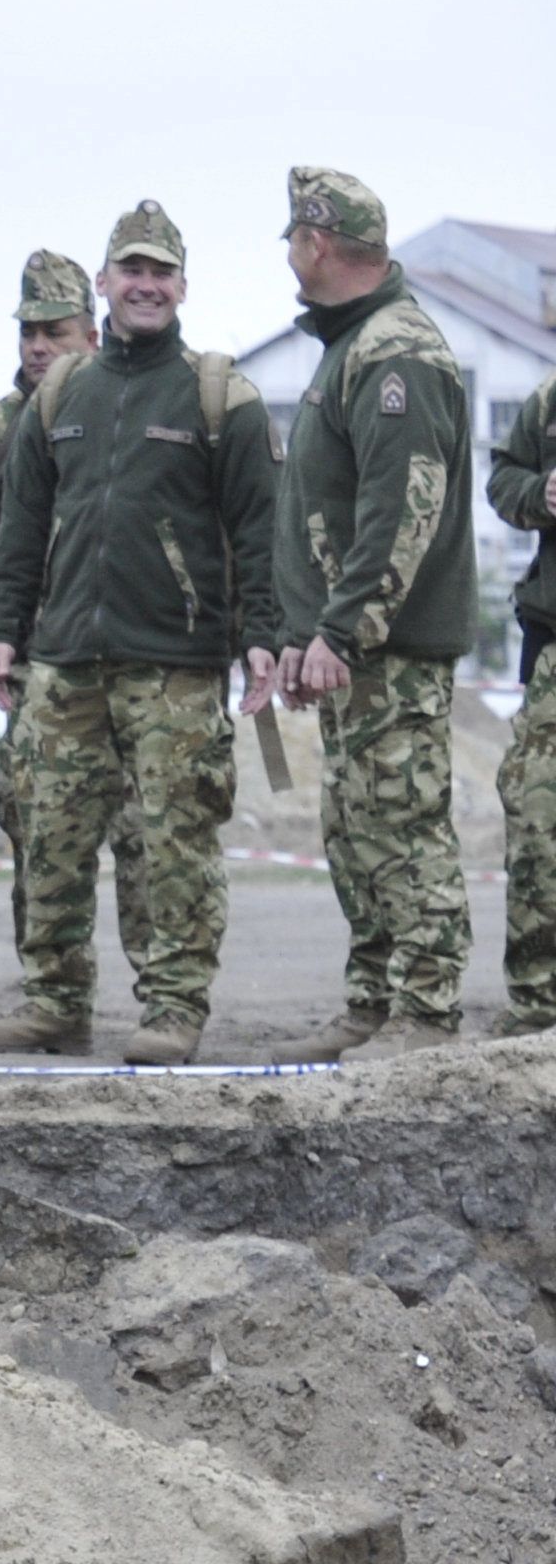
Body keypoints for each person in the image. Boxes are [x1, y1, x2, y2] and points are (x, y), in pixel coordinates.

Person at [0, 202, 280, 1064]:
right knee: (52, 838)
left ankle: (173, 1008)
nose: (147, 286)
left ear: (183, 287)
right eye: (131, 271)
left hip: (174, 666)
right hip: (63, 664)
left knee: (175, 845)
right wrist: (1, 630)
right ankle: (54, 1004)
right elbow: (21, 527)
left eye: (162, 273)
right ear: (103, 284)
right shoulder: (64, 392)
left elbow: (260, 530)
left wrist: (263, 635)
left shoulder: (223, 396)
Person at [270, 167, 478, 1062]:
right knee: (354, 831)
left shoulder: (395, 352)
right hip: (346, 650)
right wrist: (301, 633)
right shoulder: (348, 344)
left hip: (385, 649)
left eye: (291, 239)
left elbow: (403, 512)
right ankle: (373, 1001)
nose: (289, 253)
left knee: (401, 826)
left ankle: (425, 1014)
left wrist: (341, 629)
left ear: (316, 244)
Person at [0, 248, 137, 944]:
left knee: (148, 829)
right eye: (27, 332)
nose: (36, 346)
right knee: (37, 821)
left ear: (92, 332)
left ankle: (166, 995)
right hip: (39, 657)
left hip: (138, 648)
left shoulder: (131, 408)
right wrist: (19, 602)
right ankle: (51, 986)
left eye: (53, 331)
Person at [495, 372, 556, 1034]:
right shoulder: (549, 399)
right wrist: (539, 493)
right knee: (538, 819)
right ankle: (540, 1008)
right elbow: (502, 479)